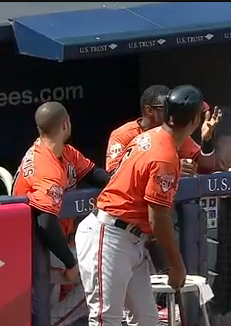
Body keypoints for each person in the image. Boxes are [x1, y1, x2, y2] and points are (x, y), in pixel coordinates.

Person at [75, 85, 206, 326]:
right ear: (195, 120)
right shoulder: (163, 154)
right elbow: (158, 217)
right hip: (110, 234)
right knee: (106, 320)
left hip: (130, 237)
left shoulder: (152, 136)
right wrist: (176, 265)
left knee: (146, 318)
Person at [12, 102, 109, 326]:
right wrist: (70, 264)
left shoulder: (65, 152)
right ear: (66, 124)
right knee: (99, 271)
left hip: (48, 243)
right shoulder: (45, 166)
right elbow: (44, 221)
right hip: (35, 247)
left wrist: (119, 179)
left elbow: (93, 173)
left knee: (45, 306)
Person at [105, 85, 222, 176]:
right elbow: (113, 175)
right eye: (166, 108)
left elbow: (205, 169)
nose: (171, 112)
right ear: (149, 111)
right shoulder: (123, 134)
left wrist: (207, 141)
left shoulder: (174, 133)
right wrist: (170, 169)